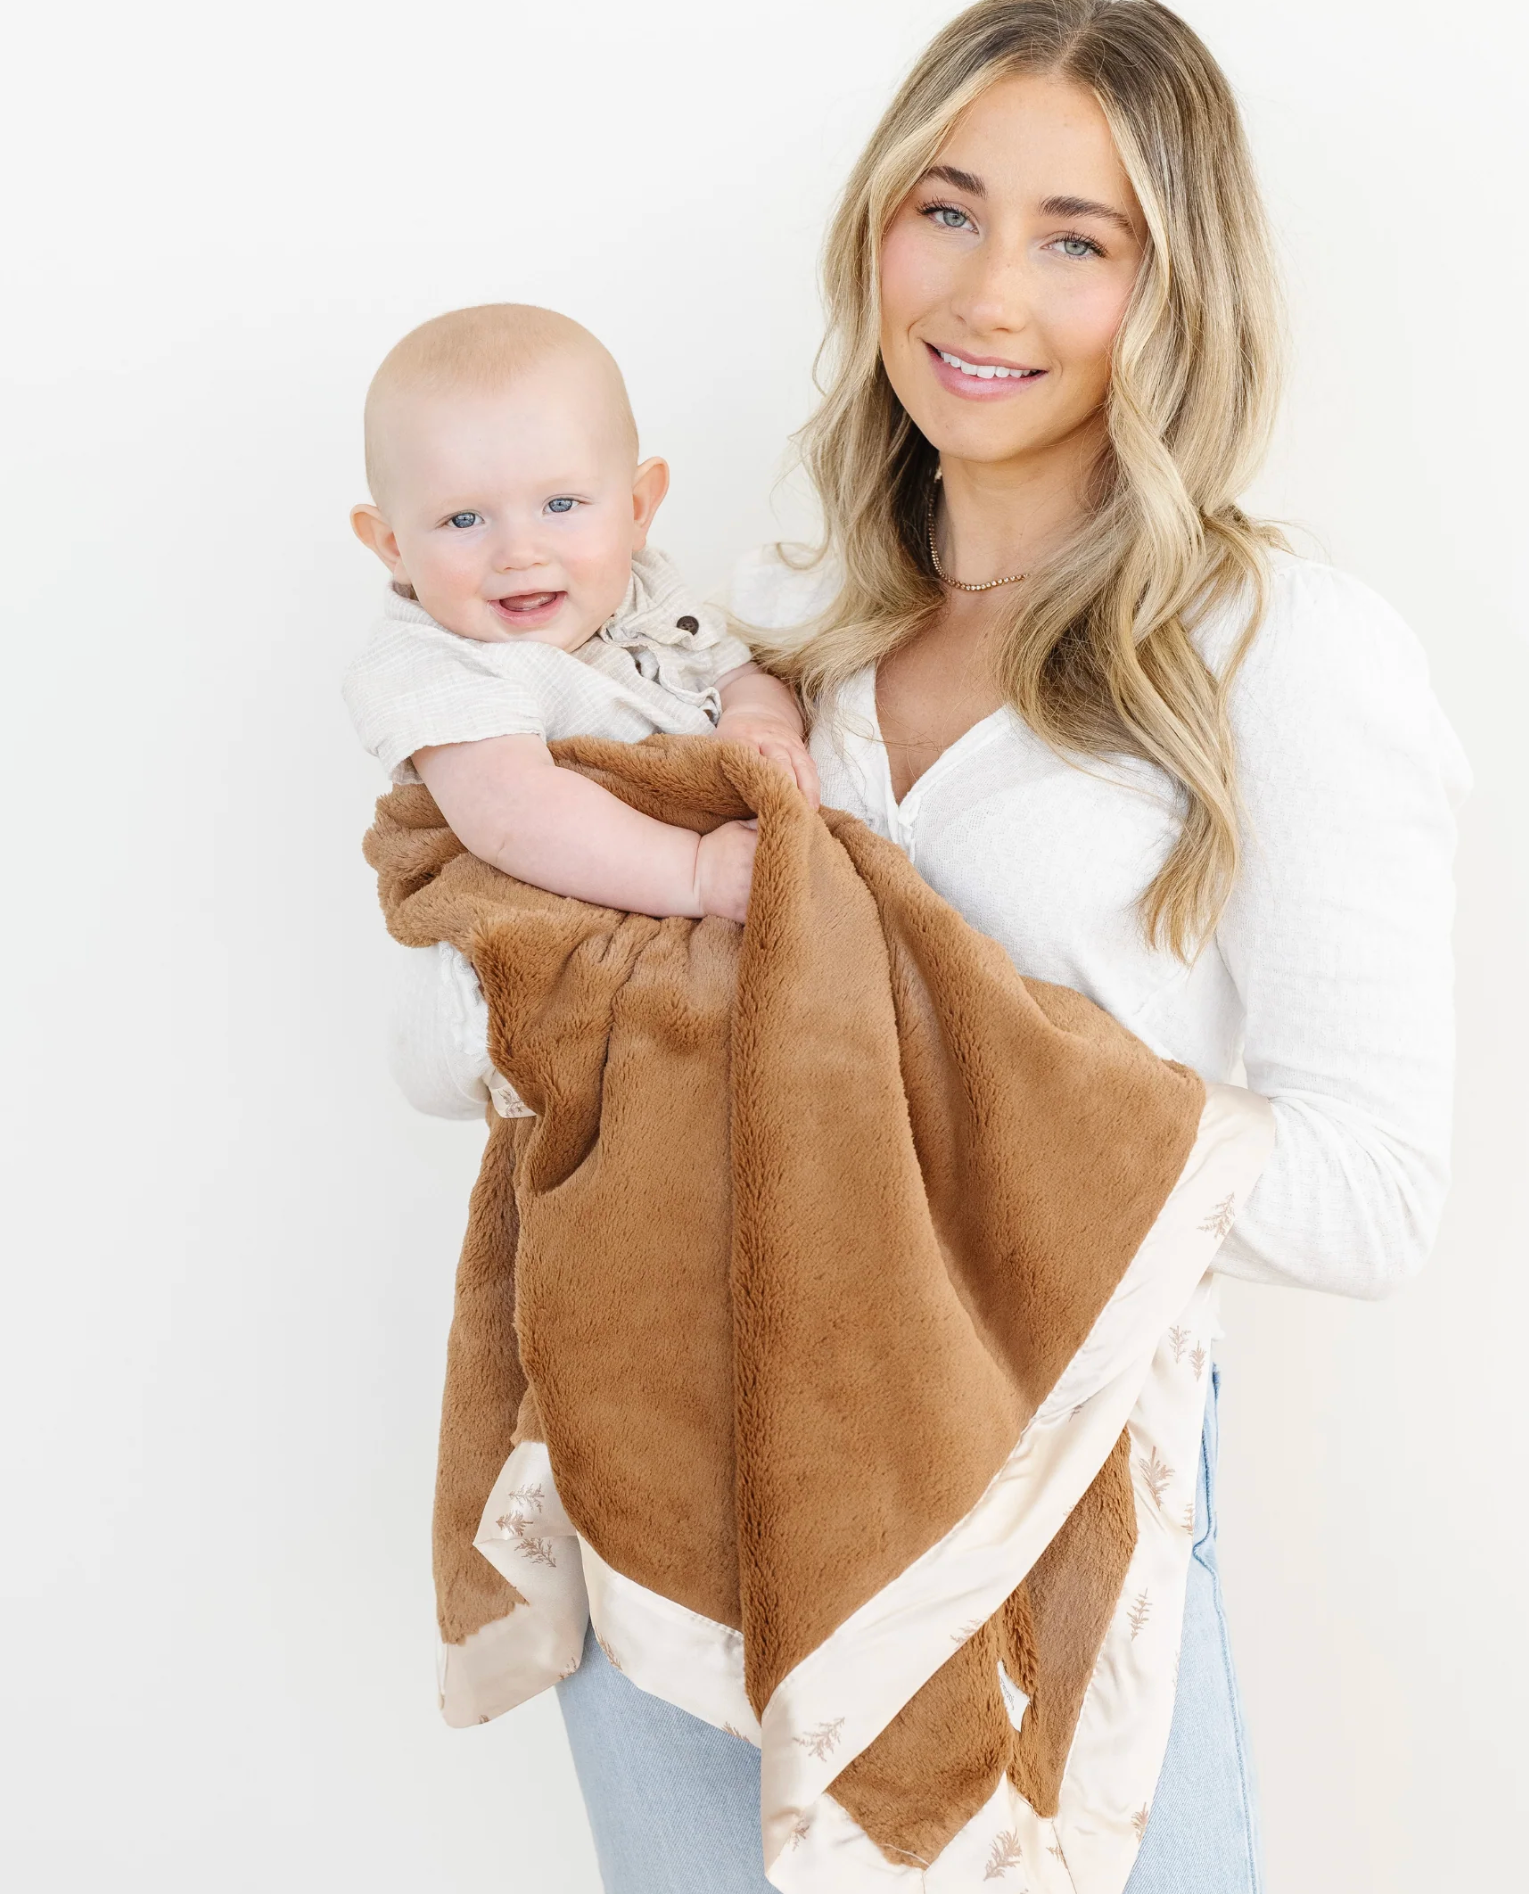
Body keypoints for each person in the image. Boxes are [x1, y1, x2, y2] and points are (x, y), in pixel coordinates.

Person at [386, 3, 1469, 1888]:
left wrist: (975, 1078)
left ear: (1175, 287)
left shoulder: (1276, 648)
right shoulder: (774, 633)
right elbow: (458, 1040)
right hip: (682, 1488)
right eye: (945, 210)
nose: (984, 292)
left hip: (1048, 1526)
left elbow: (1374, 1196)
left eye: (1076, 238)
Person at [344, 303, 815, 929]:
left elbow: (735, 673)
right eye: (464, 519)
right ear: (393, 546)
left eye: (560, 505)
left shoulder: (643, 590)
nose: (519, 553)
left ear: (637, 509)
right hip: (601, 906)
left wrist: (758, 717)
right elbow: (515, 816)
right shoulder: (431, 665)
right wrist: (695, 873)